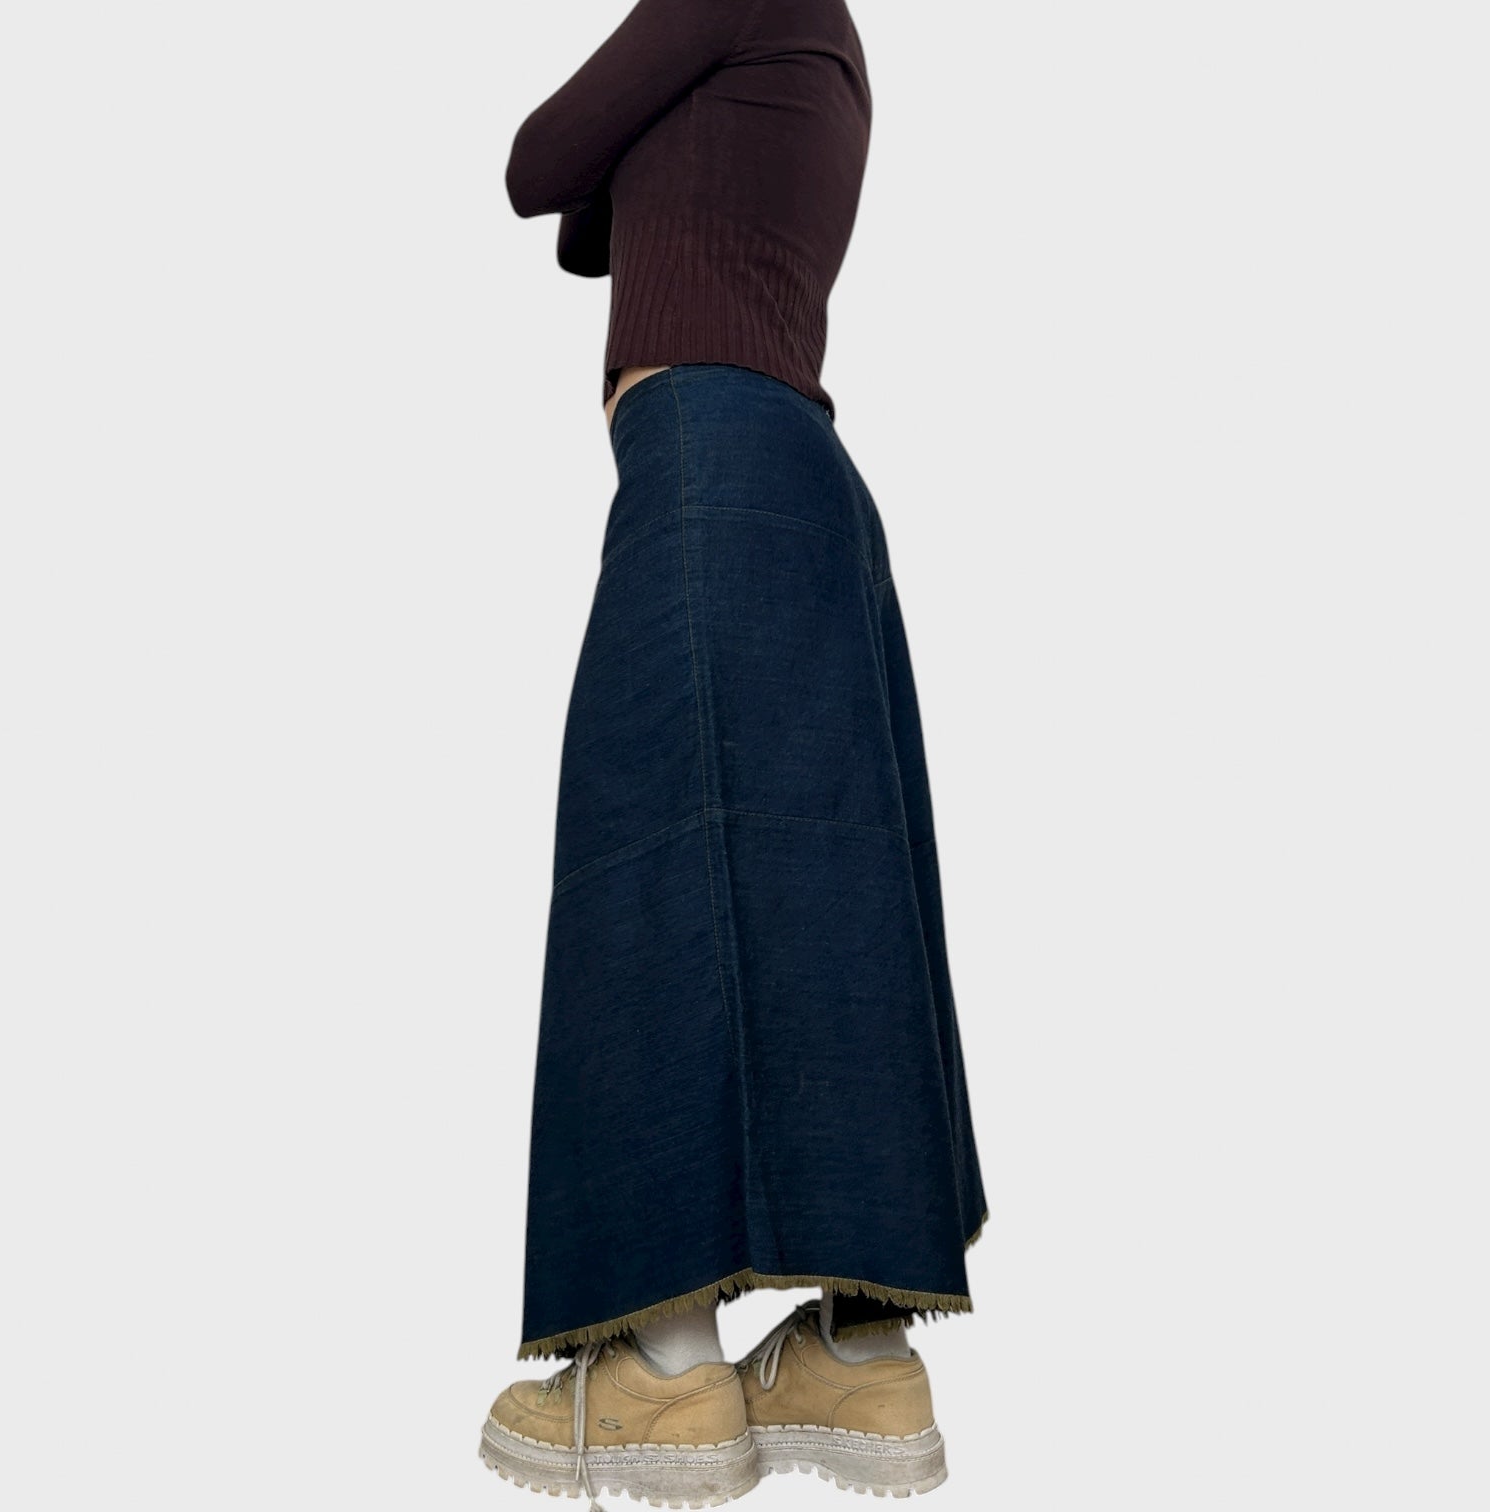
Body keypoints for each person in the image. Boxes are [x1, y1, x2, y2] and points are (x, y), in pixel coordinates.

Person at [480, 0, 988, 1503]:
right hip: (801, 473)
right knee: (838, 890)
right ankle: (861, 1352)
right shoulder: (813, 32)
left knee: (654, 865)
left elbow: (538, 167)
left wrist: (626, 130)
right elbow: (594, 232)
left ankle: (667, 1367)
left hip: (706, 456)